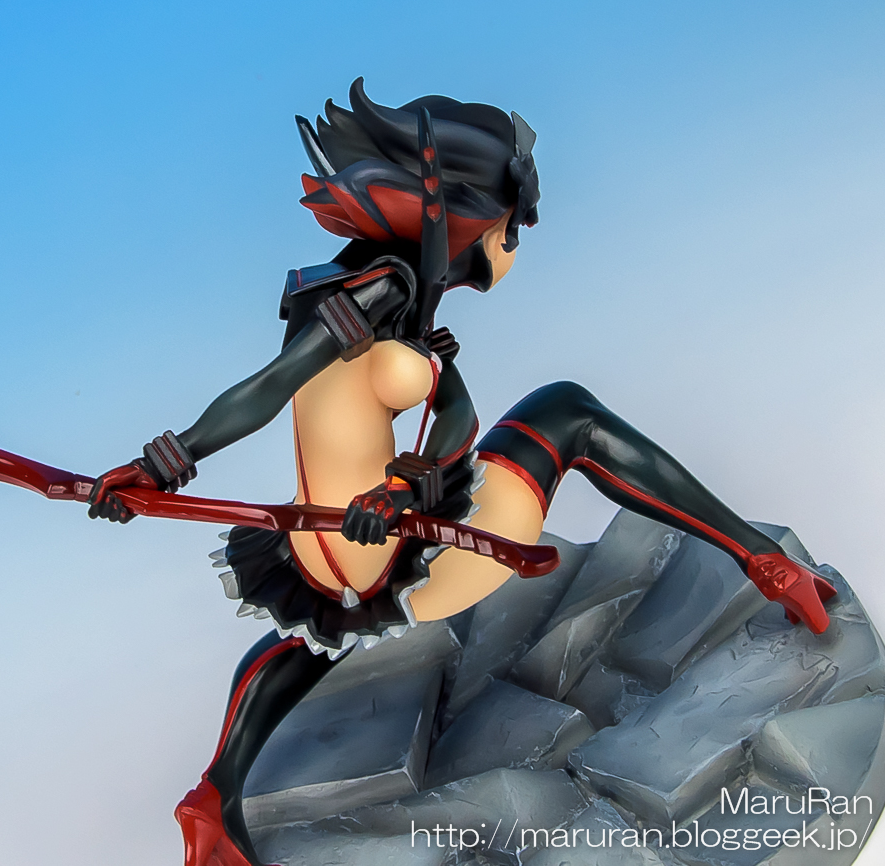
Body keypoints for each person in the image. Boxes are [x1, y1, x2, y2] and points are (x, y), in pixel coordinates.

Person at [86, 78, 838, 866]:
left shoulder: (359, 284)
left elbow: (434, 414)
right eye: (514, 230)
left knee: (312, 635)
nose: (513, 248)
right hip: (399, 548)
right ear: (479, 222)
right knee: (569, 412)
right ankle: (765, 560)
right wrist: (162, 462)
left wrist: (165, 467)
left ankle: (214, 796)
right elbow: (278, 391)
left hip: (326, 552)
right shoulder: (379, 292)